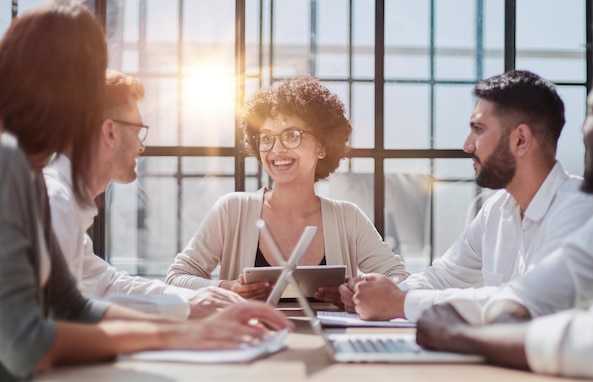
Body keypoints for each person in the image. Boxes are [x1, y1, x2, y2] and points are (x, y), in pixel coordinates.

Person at [0, 3, 290, 381]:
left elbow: (69, 303)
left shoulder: (31, 175)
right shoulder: (10, 164)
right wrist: (181, 331)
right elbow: (26, 345)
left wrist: (189, 329)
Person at [414, 39, 593, 380]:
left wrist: (464, 335)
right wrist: (501, 326)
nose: (585, 133)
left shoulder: (585, 207)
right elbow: (522, 295)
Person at [341, 70, 593, 321]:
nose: (467, 145)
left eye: (478, 130)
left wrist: (398, 302)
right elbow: (443, 275)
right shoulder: (497, 210)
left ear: (521, 140)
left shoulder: (583, 209)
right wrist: (377, 295)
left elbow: (526, 302)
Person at [166, 76, 409, 305]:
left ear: (322, 146)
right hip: (250, 342)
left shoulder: (348, 218)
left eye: (292, 136)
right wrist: (225, 289)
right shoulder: (232, 210)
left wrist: (356, 290)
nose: (277, 149)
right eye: (267, 138)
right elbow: (177, 278)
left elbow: (400, 278)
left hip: (328, 344)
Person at [44, 69, 244, 319]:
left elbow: (107, 284)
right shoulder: (56, 205)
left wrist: (200, 297)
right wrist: (186, 307)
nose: (141, 146)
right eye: (138, 131)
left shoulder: (63, 203)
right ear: (110, 132)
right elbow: (61, 316)